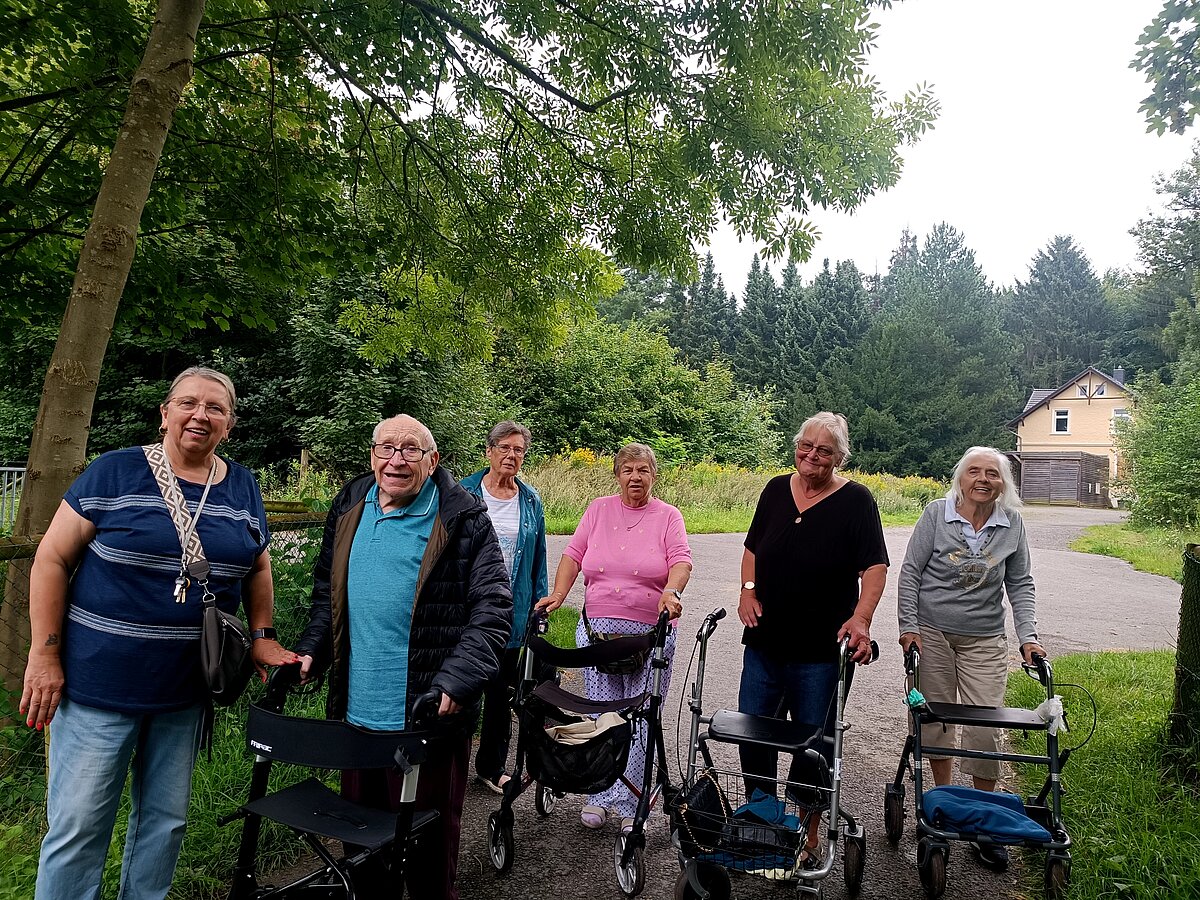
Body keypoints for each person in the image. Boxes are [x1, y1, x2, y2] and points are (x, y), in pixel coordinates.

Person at [21, 366, 295, 900]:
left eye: (215, 408)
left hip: (185, 693)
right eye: (189, 403)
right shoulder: (114, 472)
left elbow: (259, 567)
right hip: (99, 687)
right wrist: (44, 653)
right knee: (79, 830)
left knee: (164, 824)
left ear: (230, 424)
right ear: (165, 413)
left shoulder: (242, 485)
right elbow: (50, 558)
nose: (201, 415)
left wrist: (262, 633)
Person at [294, 414, 511, 900]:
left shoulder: (463, 517)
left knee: (427, 859)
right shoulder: (350, 502)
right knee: (362, 856)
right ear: (372, 456)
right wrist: (313, 650)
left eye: (411, 449)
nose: (396, 459)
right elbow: (328, 594)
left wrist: (457, 679)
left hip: (424, 719)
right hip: (358, 720)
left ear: (433, 462)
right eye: (386, 448)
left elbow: (493, 609)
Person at [737, 412, 888, 866]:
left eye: (823, 450)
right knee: (755, 734)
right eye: (806, 445)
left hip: (821, 651)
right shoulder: (774, 489)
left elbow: (875, 568)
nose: (811, 455)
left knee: (814, 745)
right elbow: (751, 548)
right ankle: (761, 821)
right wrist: (748, 591)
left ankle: (809, 832)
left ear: (839, 457)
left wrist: (861, 619)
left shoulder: (857, 501)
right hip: (765, 642)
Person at [897, 445, 1045, 872]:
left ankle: (985, 819)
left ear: (1004, 483)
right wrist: (908, 627)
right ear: (961, 477)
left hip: (984, 637)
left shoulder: (1012, 524)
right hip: (932, 633)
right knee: (935, 719)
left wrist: (1028, 637)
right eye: (974, 472)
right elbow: (910, 571)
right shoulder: (935, 514)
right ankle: (941, 804)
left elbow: (1021, 582)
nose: (983, 480)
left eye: (993, 474)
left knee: (985, 724)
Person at [536, 442, 691, 832]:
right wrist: (559, 594)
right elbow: (573, 554)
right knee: (602, 714)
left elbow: (681, 561)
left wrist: (671, 592)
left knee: (640, 716)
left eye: (642, 470)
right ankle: (601, 794)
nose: (635, 477)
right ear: (617, 474)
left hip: (648, 634)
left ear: (654, 475)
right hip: (597, 631)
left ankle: (630, 801)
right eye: (627, 470)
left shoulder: (668, 516)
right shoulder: (598, 509)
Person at [460, 420, 550, 794]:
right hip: (464, 610)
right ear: (489, 451)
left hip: (509, 613)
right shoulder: (462, 492)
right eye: (505, 448)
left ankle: (491, 766)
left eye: (519, 450)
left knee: (499, 696)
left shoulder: (529, 500)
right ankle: (447, 763)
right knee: (461, 690)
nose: (512, 456)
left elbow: (538, 558)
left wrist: (539, 606)